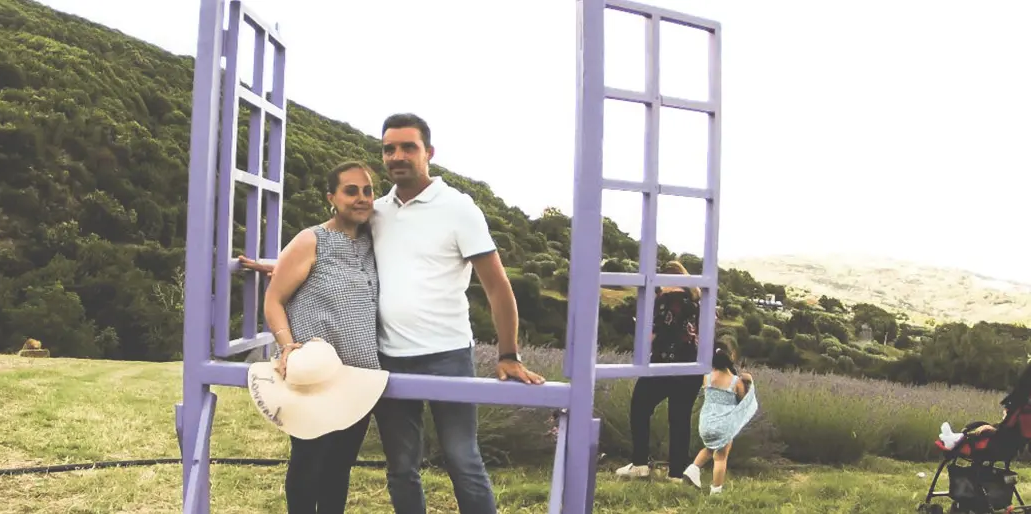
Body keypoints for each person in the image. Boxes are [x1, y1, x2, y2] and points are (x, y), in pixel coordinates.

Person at [239, 113, 545, 514]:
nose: (397, 155)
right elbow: (326, 249)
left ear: (428, 152)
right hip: (388, 360)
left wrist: (508, 354)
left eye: (408, 147)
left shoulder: (458, 208)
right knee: (401, 468)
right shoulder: (378, 211)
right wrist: (281, 267)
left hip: (448, 355)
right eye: (389, 149)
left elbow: (497, 286)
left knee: (463, 460)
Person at [249, 161, 387, 514]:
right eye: (351, 191)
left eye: (367, 190)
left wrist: (276, 266)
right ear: (331, 198)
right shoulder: (312, 239)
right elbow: (274, 300)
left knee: (340, 468)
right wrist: (286, 346)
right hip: (316, 378)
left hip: (359, 379)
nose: (361, 198)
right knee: (308, 462)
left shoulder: (372, 243)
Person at [616, 260, 705, 482]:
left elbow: (653, 334)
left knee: (640, 407)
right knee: (680, 419)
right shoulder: (697, 304)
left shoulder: (666, 301)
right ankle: (676, 474)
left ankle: (640, 464)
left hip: (664, 364)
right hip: (692, 368)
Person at [681, 341, 757, 495]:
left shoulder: (707, 377)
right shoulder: (736, 382)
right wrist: (749, 381)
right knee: (721, 457)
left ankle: (693, 469)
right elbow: (743, 402)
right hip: (723, 423)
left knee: (710, 448)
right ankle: (716, 492)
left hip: (706, 422)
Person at [939, 361, 1031, 450]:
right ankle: (955, 439)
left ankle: (955, 440)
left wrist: (993, 429)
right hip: (1006, 437)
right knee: (982, 431)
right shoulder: (1023, 407)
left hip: (1003, 441)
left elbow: (1008, 429)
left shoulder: (1022, 407)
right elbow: (1009, 427)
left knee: (983, 434)